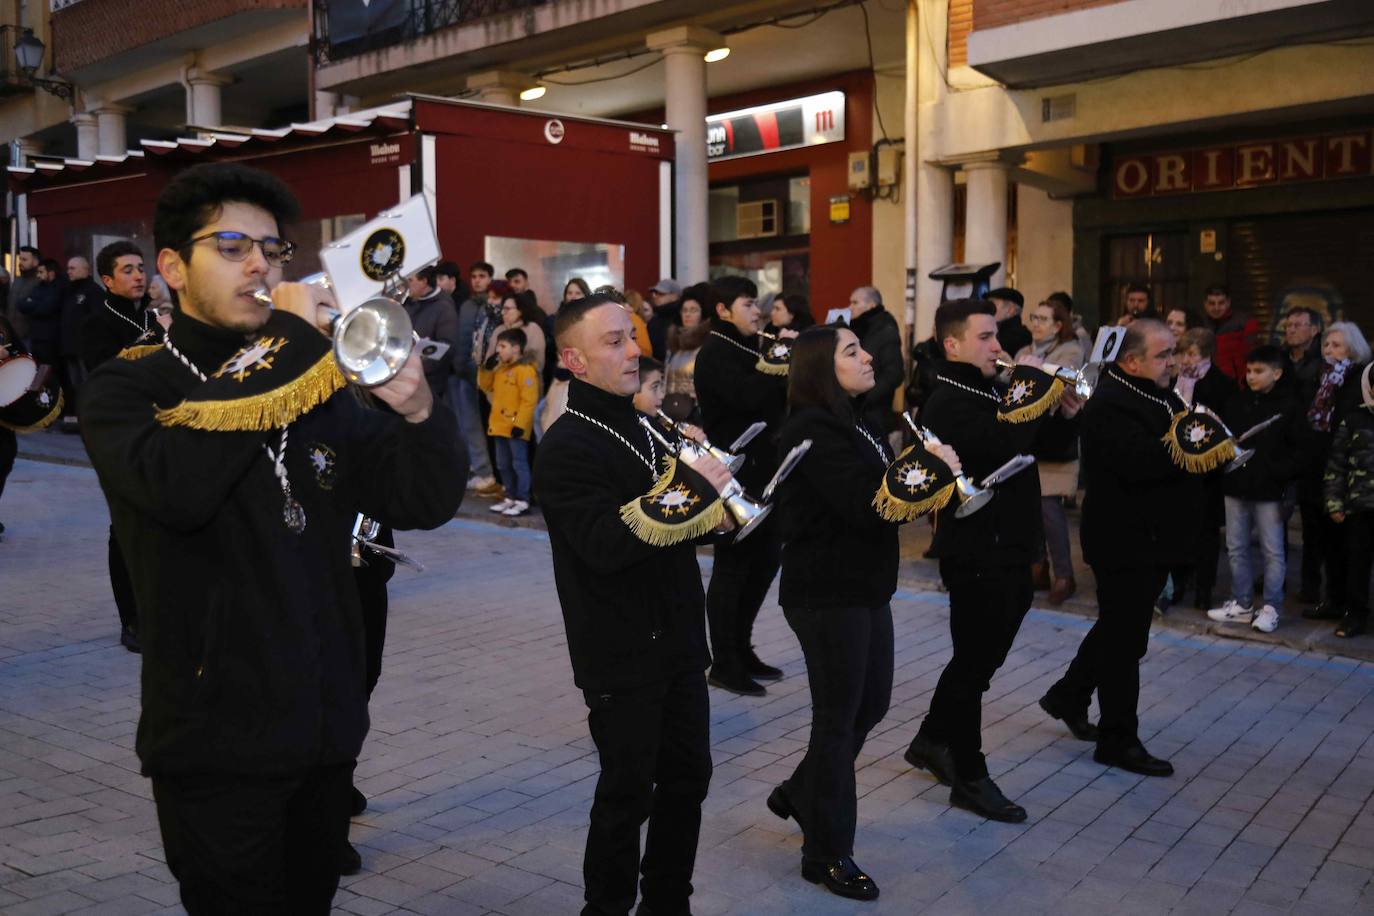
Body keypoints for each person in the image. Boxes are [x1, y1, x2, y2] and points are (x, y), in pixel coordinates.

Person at [79, 161, 465, 914]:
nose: (260, 264)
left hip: (321, 731)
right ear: (171, 266)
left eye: (272, 250)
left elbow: (420, 498)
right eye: (231, 246)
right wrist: (288, 339)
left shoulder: (314, 383)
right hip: (212, 736)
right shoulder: (132, 387)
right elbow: (176, 490)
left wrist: (419, 411)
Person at [532, 293, 731, 916]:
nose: (633, 350)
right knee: (626, 796)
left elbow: (672, 525)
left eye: (632, 335)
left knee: (688, 782)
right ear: (573, 359)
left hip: (677, 640)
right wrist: (691, 494)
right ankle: (607, 908)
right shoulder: (567, 445)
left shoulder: (643, 423)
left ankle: (669, 902)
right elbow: (603, 546)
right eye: (613, 341)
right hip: (618, 651)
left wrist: (714, 514)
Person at [767, 325, 958, 901]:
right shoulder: (810, 430)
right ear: (823, 368)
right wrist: (927, 469)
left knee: (869, 705)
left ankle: (803, 792)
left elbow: (882, 494)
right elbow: (866, 505)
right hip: (826, 594)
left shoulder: (858, 419)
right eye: (851, 351)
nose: (868, 355)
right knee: (838, 719)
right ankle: (825, 852)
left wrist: (918, 469)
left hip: (865, 587)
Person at [904, 299, 1065, 823]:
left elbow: (1048, 445)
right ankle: (970, 778)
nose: (999, 347)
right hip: (977, 550)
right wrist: (1029, 392)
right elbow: (999, 447)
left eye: (997, 337)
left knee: (982, 658)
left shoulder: (988, 387)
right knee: (974, 664)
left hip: (1012, 545)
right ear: (952, 345)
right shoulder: (947, 400)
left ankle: (931, 738)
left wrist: (1063, 408)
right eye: (986, 338)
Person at [1040, 319, 1200, 778]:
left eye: (1174, 352)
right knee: (1126, 642)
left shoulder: (1158, 392)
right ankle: (1117, 738)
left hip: (1152, 535)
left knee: (1118, 629)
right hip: (1123, 539)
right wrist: (1194, 448)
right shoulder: (1112, 402)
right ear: (1131, 361)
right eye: (1164, 354)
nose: (1174, 361)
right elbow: (1140, 462)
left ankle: (1068, 695)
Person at [695, 275, 788, 696]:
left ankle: (742, 647)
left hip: (768, 468)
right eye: (748, 303)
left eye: (757, 303)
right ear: (723, 310)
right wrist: (780, 358)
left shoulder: (750, 346)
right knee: (733, 567)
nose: (758, 311)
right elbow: (753, 398)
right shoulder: (715, 352)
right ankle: (724, 662)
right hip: (735, 474)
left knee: (766, 559)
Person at [1206, 346, 1309, 633]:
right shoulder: (1237, 402)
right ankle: (1242, 603)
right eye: (1249, 370)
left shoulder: (1290, 406)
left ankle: (1272, 607)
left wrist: (1275, 473)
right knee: (1236, 547)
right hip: (1235, 485)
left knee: (1272, 551)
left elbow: (1301, 451)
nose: (1251, 376)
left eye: (1259, 371)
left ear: (1277, 373)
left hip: (1270, 491)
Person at [1301, 321, 1372, 622]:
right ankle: (1334, 598)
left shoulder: (1359, 381)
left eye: (1337, 345)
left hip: (1350, 474)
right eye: (1327, 345)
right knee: (1325, 540)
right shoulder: (1319, 378)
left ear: (1353, 350)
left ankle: (1352, 607)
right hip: (1318, 468)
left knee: (1351, 547)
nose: (1329, 350)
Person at [1017, 297, 1084, 605]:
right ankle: (1038, 567)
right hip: (1029, 439)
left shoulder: (1070, 349)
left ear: (1058, 326)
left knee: (1050, 511)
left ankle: (1065, 576)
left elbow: (1059, 380)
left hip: (1057, 440)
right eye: (1034, 317)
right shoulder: (1024, 352)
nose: (1036, 324)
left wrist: (1028, 371)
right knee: (1030, 509)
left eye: (1043, 319)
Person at [1323, 363, 1374, 638]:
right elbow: (1336, 466)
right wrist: (1334, 502)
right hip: (1359, 507)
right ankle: (1355, 615)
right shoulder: (1354, 419)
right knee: (1357, 564)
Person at [450, 260, 500, 496]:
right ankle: (479, 469)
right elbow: (462, 338)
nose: (477, 280)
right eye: (474, 276)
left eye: (482, 276)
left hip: (485, 374)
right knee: (467, 425)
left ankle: (489, 473)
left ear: (490, 278)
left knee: (485, 426)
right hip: (462, 372)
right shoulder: (467, 305)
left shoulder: (493, 305)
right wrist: (459, 365)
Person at [479, 326, 539, 517]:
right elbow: (485, 386)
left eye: (503, 346)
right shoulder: (501, 369)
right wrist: (486, 369)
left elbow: (529, 401)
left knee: (518, 463)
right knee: (503, 464)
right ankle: (510, 496)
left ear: (516, 348)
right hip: (498, 425)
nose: (499, 351)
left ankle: (523, 499)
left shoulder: (526, 371)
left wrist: (520, 425)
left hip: (515, 428)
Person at [846, 286, 903, 436]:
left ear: (871, 305)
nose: (850, 307)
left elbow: (894, 374)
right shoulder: (858, 328)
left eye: (855, 303)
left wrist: (866, 396)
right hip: (857, 408)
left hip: (875, 411)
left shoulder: (885, 329)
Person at [402, 264, 459, 405]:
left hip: (430, 381)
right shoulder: (408, 304)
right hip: (406, 376)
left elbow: (447, 347)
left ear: (424, 281)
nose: (406, 285)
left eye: (410, 280)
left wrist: (419, 365)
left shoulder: (443, 307)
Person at [59, 256, 101, 429]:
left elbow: (98, 320)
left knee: (88, 384)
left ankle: (93, 418)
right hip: (69, 348)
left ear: (85, 269)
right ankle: (80, 417)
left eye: (73, 268)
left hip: (85, 349)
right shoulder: (70, 291)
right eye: (68, 268)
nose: (69, 271)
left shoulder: (93, 291)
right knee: (75, 385)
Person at [663, 282, 710, 422]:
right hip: (672, 410)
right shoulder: (674, 345)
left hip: (696, 414)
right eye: (684, 310)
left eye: (693, 310)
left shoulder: (706, 345)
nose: (688, 314)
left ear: (702, 314)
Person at [1200, 285, 1259, 383]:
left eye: (1221, 303)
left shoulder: (1244, 323)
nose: (1216, 307)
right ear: (1205, 304)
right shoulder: (1199, 324)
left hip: (1235, 383)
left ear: (1228, 303)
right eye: (1212, 303)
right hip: (1206, 382)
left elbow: (1253, 356)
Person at [17, 258, 64, 374]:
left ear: (51, 273)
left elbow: (46, 309)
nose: (38, 275)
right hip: (36, 337)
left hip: (50, 339)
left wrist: (32, 305)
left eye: (41, 272)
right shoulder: (38, 287)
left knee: (50, 372)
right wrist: (35, 305)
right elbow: (21, 304)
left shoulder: (59, 287)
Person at [499, 289, 547, 374]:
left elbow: (538, 362)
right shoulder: (499, 330)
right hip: (499, 382)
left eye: (507, 309)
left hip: (525, 381)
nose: (503, 312)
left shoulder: (533, 330)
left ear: (520, 311)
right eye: (502, 309)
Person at [6, 245, 41, 344]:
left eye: (24, 259)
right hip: (12, 336)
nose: (20, 262)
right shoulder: (17, 281)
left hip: (30, 337)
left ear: (35, 262)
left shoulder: (39, 282)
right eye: (20, 259)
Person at [985, 286, 1030, 362]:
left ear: (1010, 310)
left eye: (992, 304)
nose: (987, 309)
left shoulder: (1018, 336)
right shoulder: (999, 331)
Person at [645, 278, 683, 361]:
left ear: (674, 296)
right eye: (654, 293)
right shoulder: (655, 319)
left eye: (661, 293)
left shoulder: (682, 317)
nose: (654, 296)